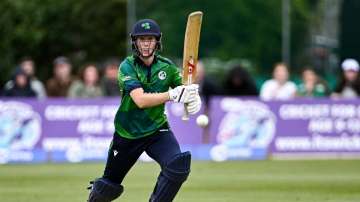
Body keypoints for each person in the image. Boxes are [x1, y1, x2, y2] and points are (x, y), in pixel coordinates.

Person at [87, 19, 201, 202]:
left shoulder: (167, 67)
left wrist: (194, 98)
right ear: (135, 42)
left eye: (150, 39)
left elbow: (185, 89)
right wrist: (173, 95)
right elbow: (140, 100)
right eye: (141, 39)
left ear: (157, 41)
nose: (146, 43)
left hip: (157, 130)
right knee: (108, 187)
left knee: (178, 166)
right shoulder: (127, 66)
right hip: (127, 133)